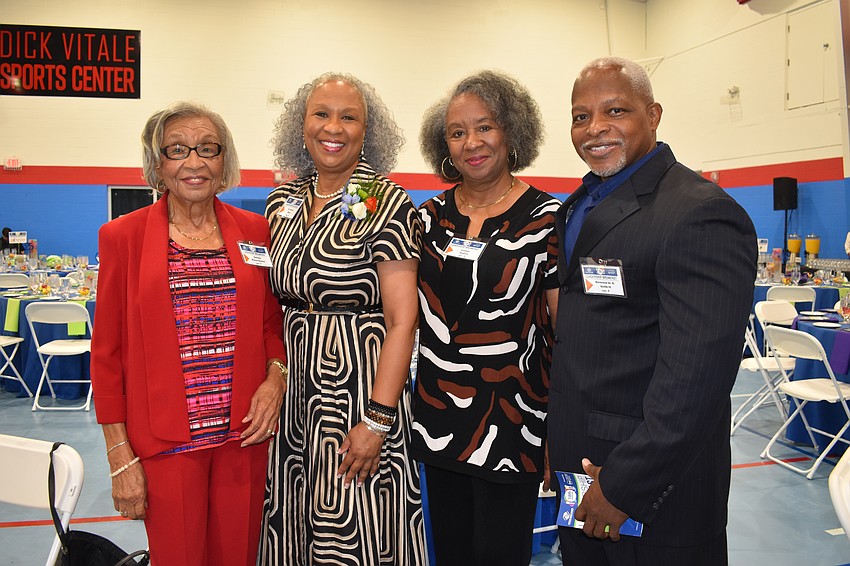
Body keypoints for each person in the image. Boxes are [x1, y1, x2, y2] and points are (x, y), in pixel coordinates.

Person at [548, 57, 757, 565]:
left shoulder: (698, 211)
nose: (595, 128)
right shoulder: (580, 204)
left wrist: (623, 486)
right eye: (581, 116)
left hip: (650, 488)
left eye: (615, 110)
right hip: (581, 472)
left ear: (654, 114)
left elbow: (696, 379)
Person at [91, 101, 287, 566]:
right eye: (177, 150)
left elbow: (269, 324)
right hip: (166, 444)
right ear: (157, 164)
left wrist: (275, 377)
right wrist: (120, 456)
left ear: (225, 161)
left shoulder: (255, 231)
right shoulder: (123, 236)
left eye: (207, 149)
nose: (194, 162)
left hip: (242, 439)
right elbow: (107, 354)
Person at [259, 73, 427, 565]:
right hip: (293, 402)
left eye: (348, 117)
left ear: (367, 130)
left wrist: (377, 420)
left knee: (355, 524)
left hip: (358, 391)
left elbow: (403, 320)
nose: (333, 127)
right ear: (301, 123)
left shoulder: (384, 201)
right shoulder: (281, 203)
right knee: (293, 527)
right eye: (321, 113)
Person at [413, 70, 559, 566]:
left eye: (485, 127)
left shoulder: (546, 219)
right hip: (437, 420)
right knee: (450, 553)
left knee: (500, 554)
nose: (471, 142)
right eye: (457, 132)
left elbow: (563, 332)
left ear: (512, 132)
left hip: (511, 424)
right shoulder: (428, 218)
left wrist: (556, 430)